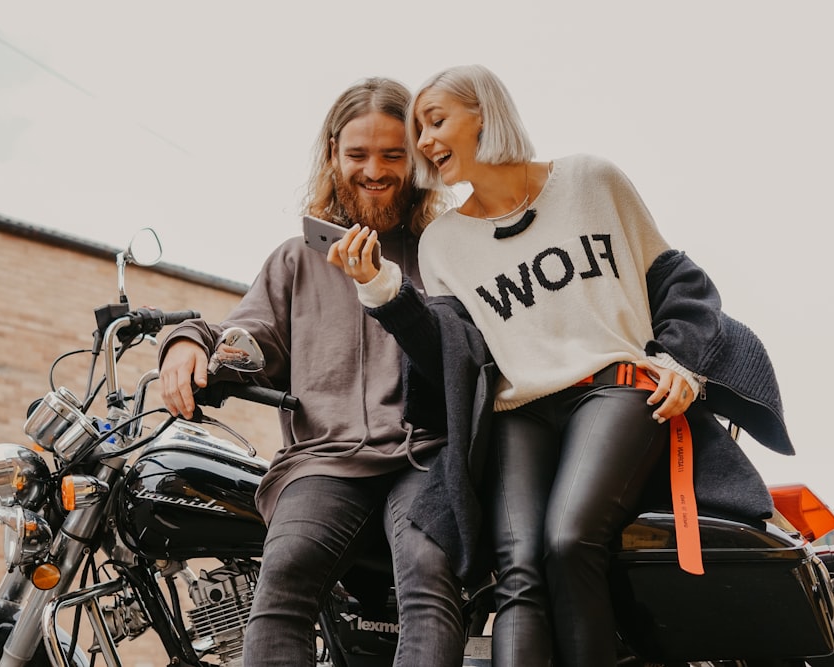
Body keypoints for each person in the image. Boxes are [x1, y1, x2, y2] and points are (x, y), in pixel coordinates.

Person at [330, 64, 794, 666]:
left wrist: (679, 361)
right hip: (518, 410)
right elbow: (452, 351)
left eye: (436, 121)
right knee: (516, 570)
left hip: (618, 387)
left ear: (486, 114)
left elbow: (678, 281)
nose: (424, 142)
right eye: (419, 129)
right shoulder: (441, 243)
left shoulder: (590, 181)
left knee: (569, 540)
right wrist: (384, 289)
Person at [157, 77, 466, 667]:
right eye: (358, 155)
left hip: (426, 452)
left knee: (428, 577)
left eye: (392, 154)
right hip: (325, 458)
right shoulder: (296, 259)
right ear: (333, 156)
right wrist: (187, 342)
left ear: (418, 160)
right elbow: (249, 336)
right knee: (284, 576)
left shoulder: (446, 250)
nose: (374, 169)